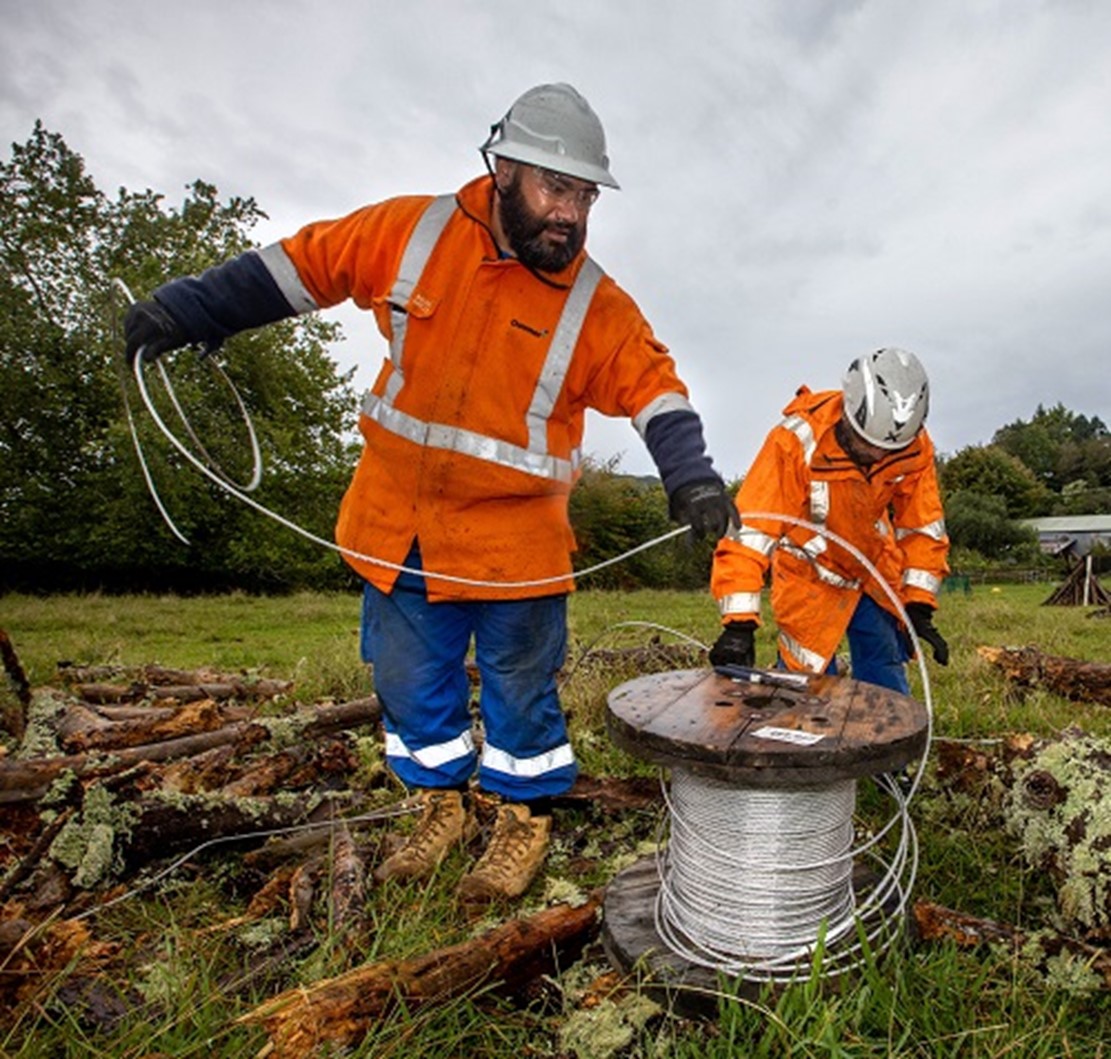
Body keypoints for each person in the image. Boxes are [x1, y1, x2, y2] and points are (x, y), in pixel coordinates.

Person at [124, 82, 737, 905]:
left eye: (585, 196)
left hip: (515, 550)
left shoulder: (597, 303)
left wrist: (690, 474)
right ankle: (438, 806)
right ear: (505, 170)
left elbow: (654, 388)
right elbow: (304, 264)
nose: (571, 214)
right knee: (412, 689)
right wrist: (192, 308)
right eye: (557, 188)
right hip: (397, 529)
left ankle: (522, 818)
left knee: (522, 695)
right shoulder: (411, 233)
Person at [709, 348, 949, 694]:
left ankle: (888, 745)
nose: (879, 456)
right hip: (809, 573)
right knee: (805, 683)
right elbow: (751, 529)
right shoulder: (794, 441)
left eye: (887, 451)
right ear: (848, 414)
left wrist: (918, 603)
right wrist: (739, 624)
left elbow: (923, 525)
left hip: (871, 568)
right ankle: (805, 745)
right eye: (868, 446)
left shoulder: (913, 447)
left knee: (884, 668)